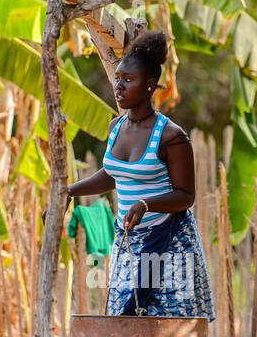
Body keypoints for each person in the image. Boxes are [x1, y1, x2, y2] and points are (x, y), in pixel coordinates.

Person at [59, 30, 216, 321]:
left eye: (128, 80)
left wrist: (146, 204)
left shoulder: (170, 136)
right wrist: (69, 190)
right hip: (129, 242)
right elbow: (112, 175)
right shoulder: (116, 127)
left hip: (169, 245)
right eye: (118, 78)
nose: (118, 85)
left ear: (149, 85)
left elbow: (186, 196)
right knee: (126, 322)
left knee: (166, 330)